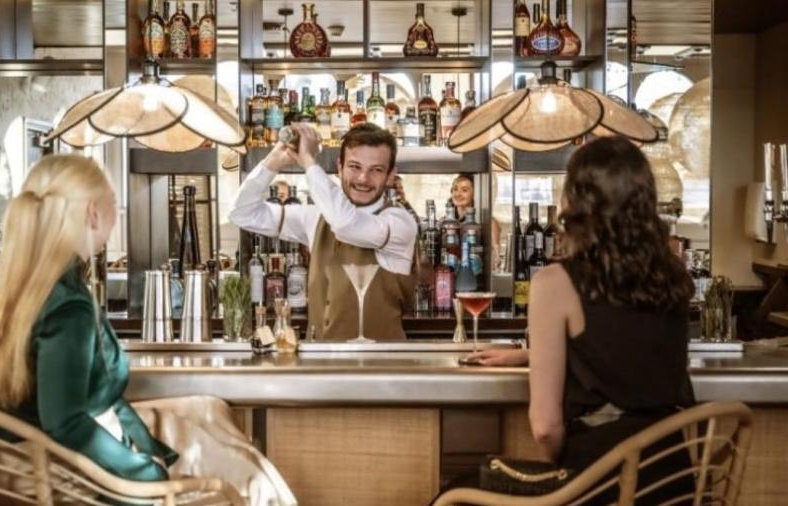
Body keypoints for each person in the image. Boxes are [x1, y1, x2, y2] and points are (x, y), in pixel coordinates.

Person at [0, 155, 292, 502]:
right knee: (246, 483)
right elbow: (65, 423)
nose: (117, 212)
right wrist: (146, 471)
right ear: (93, 213)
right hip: (70, 487)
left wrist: (154, 449)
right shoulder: (68, 305)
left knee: (211, 424)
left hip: (20, 475)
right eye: (114, 203)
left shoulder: (25, 289)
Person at [458, 136, 697, 503]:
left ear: (576, 203)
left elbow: (545, 429)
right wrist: (532, 355)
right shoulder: (673, 277)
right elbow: (626, 345)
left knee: (456, 489)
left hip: (603, 486)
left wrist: (568, 476)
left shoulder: (556, 283)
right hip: (675, 482)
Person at [230, 123, 417, 340]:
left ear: (391, 175)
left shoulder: (399, 222)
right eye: (355, 167)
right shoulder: (315, 217)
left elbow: (346, 225)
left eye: (376, 170)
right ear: (339, 167)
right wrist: (274, 161)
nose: (363, 179)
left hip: (382, 367)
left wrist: (309, 162)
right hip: (320, 364)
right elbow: (242, 213)